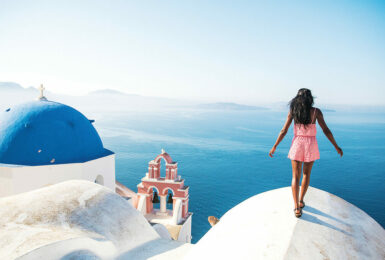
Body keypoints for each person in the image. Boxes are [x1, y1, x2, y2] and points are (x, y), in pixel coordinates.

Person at [269, 88, 343, 218]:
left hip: (297, 144)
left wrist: (275, 146)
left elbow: (283, 130)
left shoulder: (293, 111)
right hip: (311, 145)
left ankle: (296, 207)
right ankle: (301, 200)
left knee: (295, 176)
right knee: (306, 175)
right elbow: (326, 130)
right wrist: (336, 146)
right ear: (310, 99)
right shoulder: (316, 112)